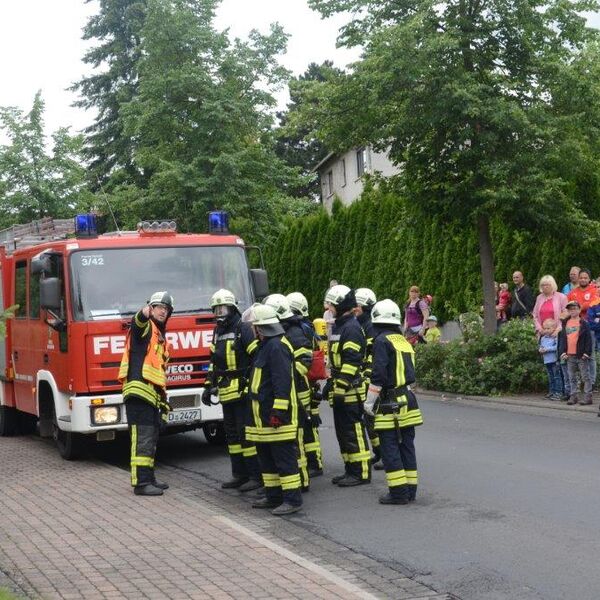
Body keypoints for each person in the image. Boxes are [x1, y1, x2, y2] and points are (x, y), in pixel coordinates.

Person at [363, 299, 424, 504]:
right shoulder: (403, 340)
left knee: (389, 447)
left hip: (389, 402)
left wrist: (369, 402)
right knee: (407, 445)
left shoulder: (381, 341)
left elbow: (378, 375)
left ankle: (398, 493)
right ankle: (410, 491)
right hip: (408, 399)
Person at [245, 304, 303, 515]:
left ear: (261, 328)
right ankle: (273, 495)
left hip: (277, 416)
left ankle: (292, 499)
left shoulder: (277, 346)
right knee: (267, 457)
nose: (253, 330)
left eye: (255, 327)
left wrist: (279, 411)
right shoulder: (267, 345)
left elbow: (282, 381)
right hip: (263, 416)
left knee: (284, 459)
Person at [202, 289, 261, 492]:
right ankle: (240, 474)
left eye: (223, 308)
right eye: (216, 309)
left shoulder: (242, 328)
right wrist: (208, 386)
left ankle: (255, 476)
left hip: (243, 391)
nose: (219, 313)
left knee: (247, 436)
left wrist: (251, 384)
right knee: (233, 436)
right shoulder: (217, 332)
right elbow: (213, 362)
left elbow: (256, 358)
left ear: (233, 308)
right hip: (227, 392)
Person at [118, 291, 174, 496]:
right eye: (158, 307)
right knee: (141, 440)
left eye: (165, 309)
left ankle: (149, 478)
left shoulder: (159, 335)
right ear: (151, 308)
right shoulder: (145, 328)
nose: (162, 311)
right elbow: (137, 322)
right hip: (138, 392)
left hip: (150, 395)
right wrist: (143, 313)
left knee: (150, 438)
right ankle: (141, 483)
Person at [263, 293, 313, 491]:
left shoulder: (293, 333)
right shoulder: (284, 331)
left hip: (298, 392)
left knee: (297, 437)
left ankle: (302, 480)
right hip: (290, 391)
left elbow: (305, 362)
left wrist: (288, 374)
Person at [324, 284, 371, 487]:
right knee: (343, 432)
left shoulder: (350, 328)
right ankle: (350, 469)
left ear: (341, 305)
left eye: (332, 304)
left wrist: (340, 388)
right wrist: (330, 386)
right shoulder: (340, 326)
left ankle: (360, 472)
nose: (329, 308)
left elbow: (352, 362)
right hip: (341, 387)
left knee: (354, 431)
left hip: (350, 390)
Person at [286, 291, 324, 477]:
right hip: (310, 382)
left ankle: (314, 463)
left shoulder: (298, 331)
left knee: (306, 425)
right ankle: (314, 462)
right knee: (310, 424)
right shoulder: (308, 328)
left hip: (302, 383)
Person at [354, 288, 382, 468]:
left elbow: (373, 354)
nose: (353, 309)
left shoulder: (370, 326)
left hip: (370, 380)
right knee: (368, 419)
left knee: (374, 419)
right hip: (366, 379)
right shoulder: (362, 324)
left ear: (363, 306)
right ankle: (380, 452)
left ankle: (386, 453)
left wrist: (366, 375)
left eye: (356, 306)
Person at [558, 300, 593, 406]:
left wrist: (587, 352)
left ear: (579, 309)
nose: (572, 311)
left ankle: (588, 397)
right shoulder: (565, 323)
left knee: (585, 376)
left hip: (581, 354)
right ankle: (574, 396)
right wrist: (562, 352)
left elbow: (588, 339)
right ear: (568, 311)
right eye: (570, 309)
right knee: (571, 377)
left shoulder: (584, 323)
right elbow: (562, 339)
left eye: (575, 308)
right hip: (569, 355)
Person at [568, 269, 599, 386]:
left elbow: (592, 304)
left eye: (585, 278)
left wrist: (577, 306)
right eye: (581, 277)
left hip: (590, 327)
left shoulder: (595, 290)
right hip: (575, 327)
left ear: (589, 279)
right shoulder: (573, 292)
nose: (583, 279)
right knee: (576, 354)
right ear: (578, 278)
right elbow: (569, 306)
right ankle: (581, 381)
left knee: (590, 355)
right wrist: (578, 307)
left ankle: (591, 382)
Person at [539, 319, 562, 401]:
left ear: (554, 328)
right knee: (550, 377)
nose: (546, 330)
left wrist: (547, 349)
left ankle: (558, 392)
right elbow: (541, 346)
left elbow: (557, 347)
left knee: (556, 377)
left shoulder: (555, 337)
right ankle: (551, 391)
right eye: (544, 328)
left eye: (548, 328)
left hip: (554, 360)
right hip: (546, 360)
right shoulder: (543, 338)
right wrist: (541, 349)